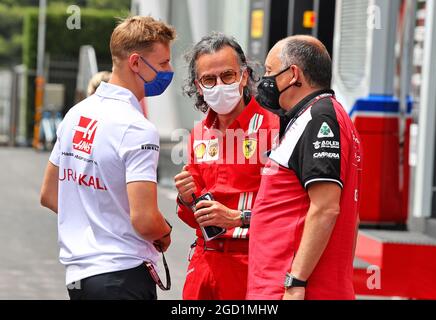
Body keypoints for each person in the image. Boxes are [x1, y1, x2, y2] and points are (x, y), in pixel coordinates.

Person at [40, 16, 175, 300]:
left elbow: (50, 195)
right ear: (136, 62)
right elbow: (145, 220)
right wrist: (165, 232)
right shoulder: (137, 128)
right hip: (122, 275)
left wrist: (94, 222)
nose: (169, 70)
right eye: (163, 63)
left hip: (79, 277)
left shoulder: (76, 114)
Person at [246, 35, 362, 300]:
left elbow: (326, 207)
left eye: (269, 71)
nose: (265, 80)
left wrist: (295, 281)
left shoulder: (319, 118)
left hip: (293, 289)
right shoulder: (315, 116)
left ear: (293, 74)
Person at [174, 32, 279, 300]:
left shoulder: (273, 129)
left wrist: (236, 218)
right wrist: (186, 199)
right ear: (198, 86)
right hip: (203, 264)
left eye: (228, 76)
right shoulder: (199, 133)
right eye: (209, 79)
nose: (219, 85)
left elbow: (289, 212)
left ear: (244, 76)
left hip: (251, 265)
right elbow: (191, 216)